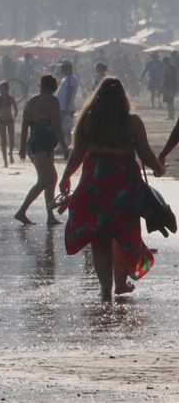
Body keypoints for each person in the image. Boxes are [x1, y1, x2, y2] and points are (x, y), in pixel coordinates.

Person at [56, 78, 162, 301]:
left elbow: (78, 152)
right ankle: (121, 283)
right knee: (124, 233)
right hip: (124, 182)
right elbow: (144, 151)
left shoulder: (89, 120)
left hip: (95, 181)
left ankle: (105, 288)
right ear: (123, 97)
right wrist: (158, 168)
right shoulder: (132, 122)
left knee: (99, 236)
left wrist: (66, 176)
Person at [16, 73, 65, 225]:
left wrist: (23, 146)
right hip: (43, 143)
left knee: (51, 179)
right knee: (45, 180)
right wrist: (64, 146)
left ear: (41, 85)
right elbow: (56, 125)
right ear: (54, 86)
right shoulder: (52, 101)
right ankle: (22, 211)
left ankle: (50, 216)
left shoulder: (31, 101)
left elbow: (25, 125)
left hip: (34, 143)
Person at [0, 80, 17, 167]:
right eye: (0, 89)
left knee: (11, 138)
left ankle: (11, 153)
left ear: (7, 89)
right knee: (3, 141)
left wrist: (14, 118)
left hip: (9, 120)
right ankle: (5, 161)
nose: (1, 91)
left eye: (3, 89)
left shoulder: (11, 98)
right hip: (1, 120)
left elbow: (16, 110)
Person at [56, 61, 81, 149]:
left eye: (63, 67)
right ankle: (63, 145)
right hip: (63, 106)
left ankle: (65, 145)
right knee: (63, 126)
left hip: (66, 107)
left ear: (68, 68)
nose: (62, 69)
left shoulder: (71, 78)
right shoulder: (66, 78)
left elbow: (69, 91)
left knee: (65, 126)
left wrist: (66, 105)